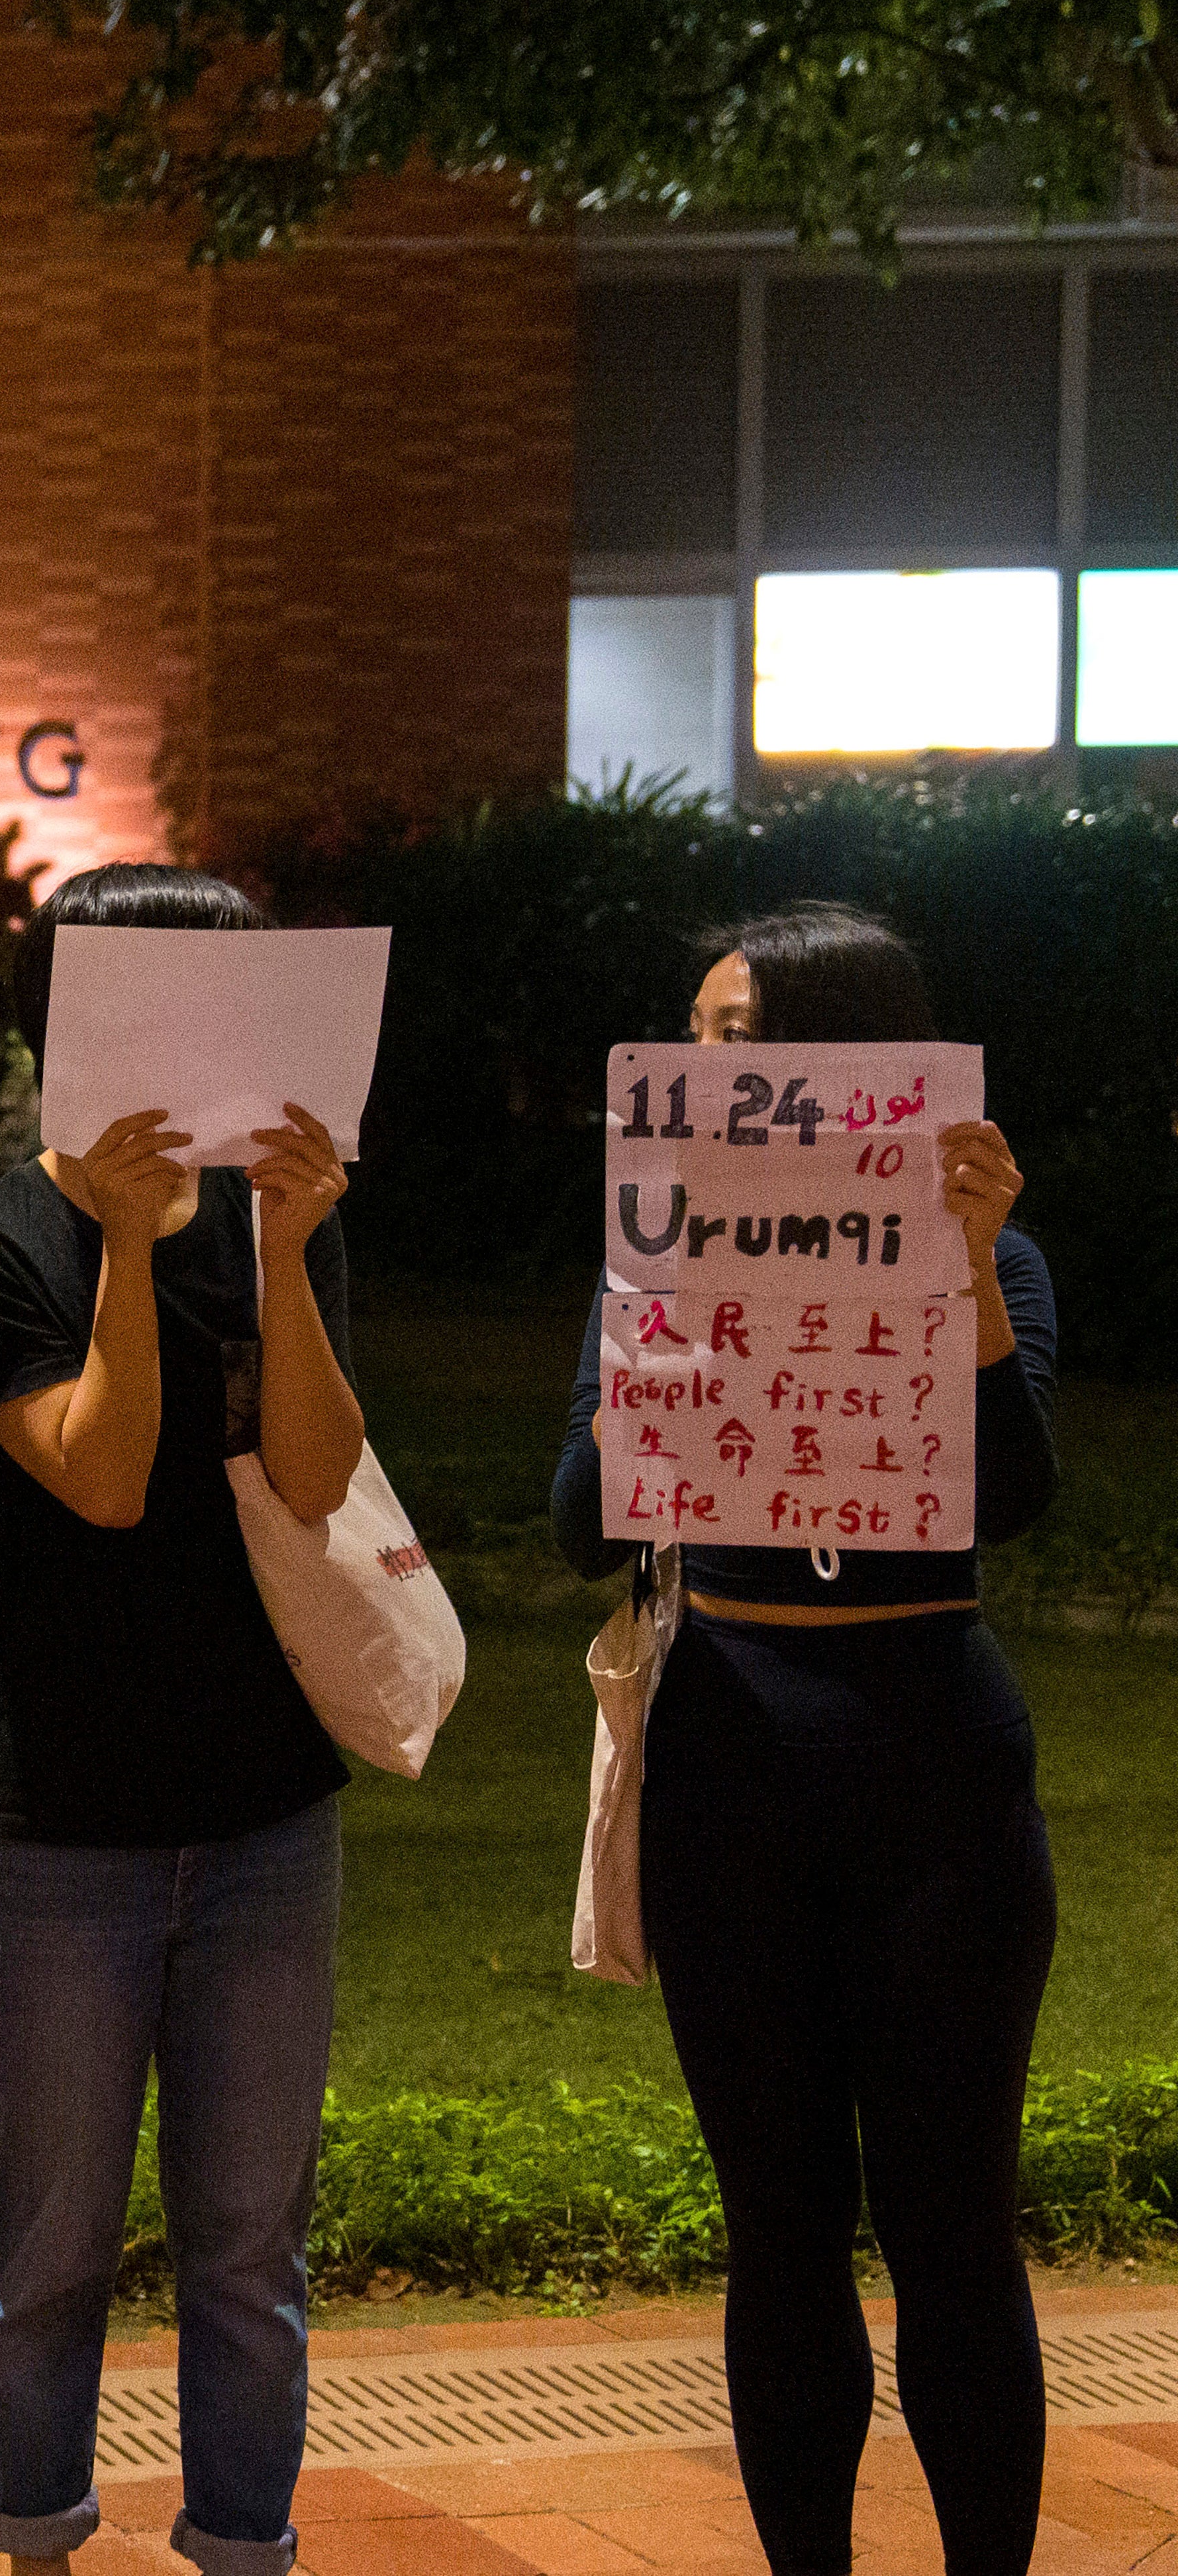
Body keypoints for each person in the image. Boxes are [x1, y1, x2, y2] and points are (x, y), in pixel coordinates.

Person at [552, 903, 1054, 2576]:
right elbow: (580, 1519)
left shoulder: (989, 1250)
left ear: (857, 1059)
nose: (710, 1066)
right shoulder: (654, 1245)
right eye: (698, 1034)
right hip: (732, 1764)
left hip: (933, 1765)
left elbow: (1010, 1494)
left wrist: (969, 1262)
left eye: (746, 1038)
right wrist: (668, 1324)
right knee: (780, 2229)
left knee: (953, 2225)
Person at [0, 862, 362, 2576]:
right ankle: (34, 2538)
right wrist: (120, 1238)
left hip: (264, 1807)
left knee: (251, 2245)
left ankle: (246, 2542)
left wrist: (298, 1253)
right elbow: (100, 1470)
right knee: (53, 2245)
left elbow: (314, 1476)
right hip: (60, 1831)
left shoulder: (282, 1210)